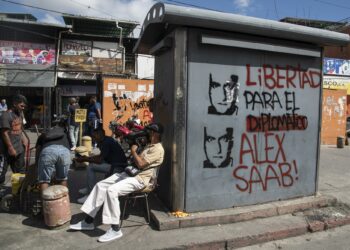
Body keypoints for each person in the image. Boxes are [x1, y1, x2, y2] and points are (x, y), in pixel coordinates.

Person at [70, 123, 164, 243]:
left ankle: (115, 229)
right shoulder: (149, 145)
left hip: (140, 180)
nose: (147, 133)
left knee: (111, 191)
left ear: (155, 134)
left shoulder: (158, 149)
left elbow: (141, 164)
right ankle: (88, 222)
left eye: (149, 131)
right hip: (130, 174)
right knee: (101, 185)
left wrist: (134, 151)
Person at [76, 127, 128, 204]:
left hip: (117, 167)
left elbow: (99, 160)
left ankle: (90, 196)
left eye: (94, 136)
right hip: (114, 164)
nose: (93, 138)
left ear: (100, 134)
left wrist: (86, 159)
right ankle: (89, 188)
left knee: (91, 167)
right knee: (91, 164)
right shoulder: (105, 140)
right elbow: (101, 156)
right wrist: (88, 158)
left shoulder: (106, 142)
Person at [36, 116, 71, 193]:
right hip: (65, 152)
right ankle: (63, 202)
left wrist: (37, 165)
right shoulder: (65, 132)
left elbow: (38, 150)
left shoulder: (44, 134)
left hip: (48, 151)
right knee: (63, 178)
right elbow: (70, 147)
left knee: (44, 180)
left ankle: (46, 204)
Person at [0, 95, 27, 184]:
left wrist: (23, 139)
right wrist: (10, 148)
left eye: (24, 106)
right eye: (21, 106)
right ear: (15, 104)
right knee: (1, 175)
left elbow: (20, 129)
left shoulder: (19, 114)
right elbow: (4, 133)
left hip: (19, 149)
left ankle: (18, 193)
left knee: (20, 173)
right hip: (6, 151)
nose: (23, 108)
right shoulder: (6, 115)